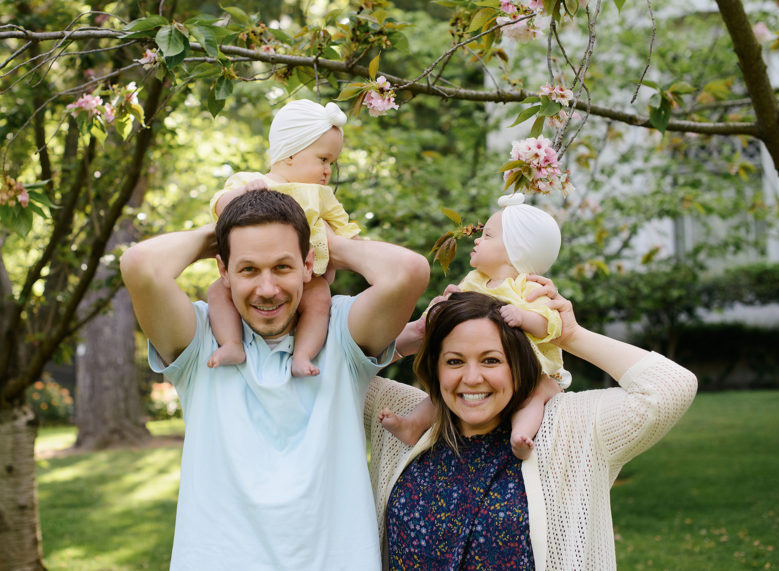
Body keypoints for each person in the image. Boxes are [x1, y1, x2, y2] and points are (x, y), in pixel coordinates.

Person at [120, 189, 429, 570]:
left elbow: (409, 272)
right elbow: (140, 266)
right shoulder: (201, 339)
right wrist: (219, 229)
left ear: (307, 265)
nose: (267, 289)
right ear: (223, 271)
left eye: (282, 267)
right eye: (248, 269)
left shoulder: (339, 333)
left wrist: (320, 236)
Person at [364, 287, 697, 569]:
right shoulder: (402, 420)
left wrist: (569, 335)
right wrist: (414, 336)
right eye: (454, 361)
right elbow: (332, 372)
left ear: (518, 364)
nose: (472, 378)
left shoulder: (570, 428)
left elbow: (670, 387)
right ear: (435, 369)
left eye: (491, 360)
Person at [380, 192, 569, 459]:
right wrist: (448, 304)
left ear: (517, 249)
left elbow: (550, 326)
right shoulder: (475, 280)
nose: (478, 239)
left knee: (535, 395)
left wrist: (524, 317)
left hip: (531, 372)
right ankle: (413, 425)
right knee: (442, 391)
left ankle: (521, 434)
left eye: (489, 236)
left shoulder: (530, 288)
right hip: (489, 369)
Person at [207, 99, 361, 377]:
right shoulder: (252, 180)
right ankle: (231, 343)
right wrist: (243, 194)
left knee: (320, 299)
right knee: (217, 291)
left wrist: (351, 251)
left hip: (308, 277)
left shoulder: (322, 195)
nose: (328, 170)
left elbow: (345, 229)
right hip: (253, 274)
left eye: (332, 163)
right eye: (323, 159)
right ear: (290, 154)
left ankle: (302, 355)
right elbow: (219, 205)